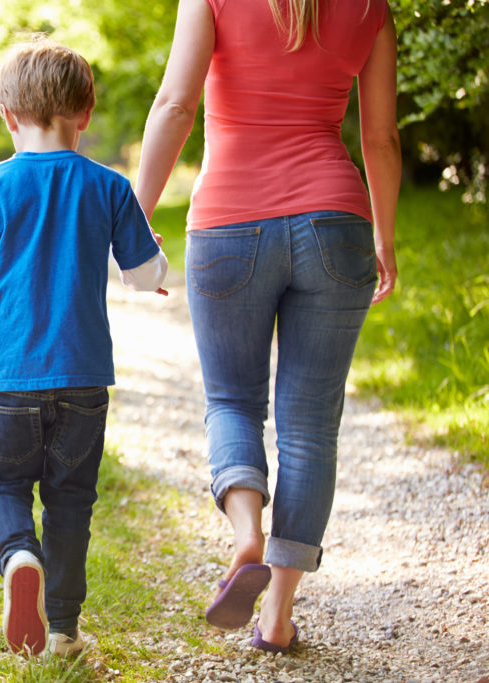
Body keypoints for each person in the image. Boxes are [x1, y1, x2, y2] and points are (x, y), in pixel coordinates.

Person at [134, 0, 400, 653]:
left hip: (229, 223)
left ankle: (245, 531)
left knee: (232, 400)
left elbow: (175, 104)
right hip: (335, 225)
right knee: (309, 426)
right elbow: (380, 139)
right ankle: (277, 614)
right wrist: (385, 237)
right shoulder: (371, 9)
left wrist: (134, 219)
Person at [0, 37, 169, 657]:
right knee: (71, 499)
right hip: (84, 380)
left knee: (2, 485)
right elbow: (144, 274)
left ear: (7, 115)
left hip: (12, 381)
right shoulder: (108, 187)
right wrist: (153, 264)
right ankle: (65, 631)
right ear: (87, 113)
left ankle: (19, 554)